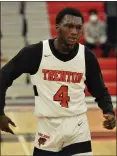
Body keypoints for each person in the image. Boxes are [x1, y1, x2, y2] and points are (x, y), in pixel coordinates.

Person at [0, 7, 116, 156]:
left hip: (77, 126)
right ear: (57, 27)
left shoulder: (86, 56)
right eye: (69, 26)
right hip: (47, 127)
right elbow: (3, 77)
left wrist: (108, 111)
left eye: (78, 28)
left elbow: (100, 89)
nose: (74, 32)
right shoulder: (36, 53)